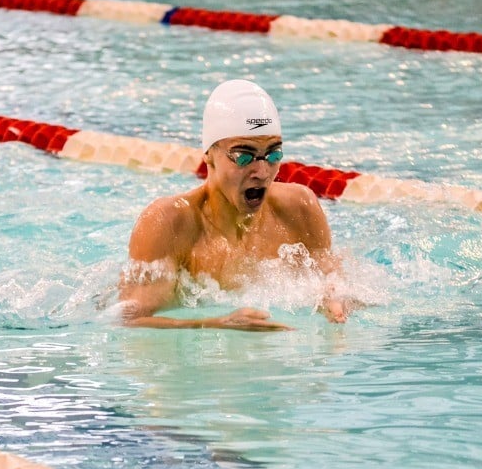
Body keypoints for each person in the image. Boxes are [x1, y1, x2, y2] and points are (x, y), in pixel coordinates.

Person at [119, 79, 352, 331]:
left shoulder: (299, 209)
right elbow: (128, 320)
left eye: (273, 154)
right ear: (209, 154)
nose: (262, 172)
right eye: (243, 156)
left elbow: (332, 277)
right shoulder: (168, 223)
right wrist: (214, 324)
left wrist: (335, 299)